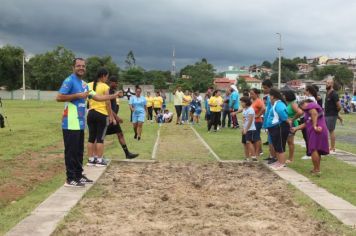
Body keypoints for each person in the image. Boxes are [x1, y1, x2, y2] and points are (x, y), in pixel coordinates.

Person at [56, 58, 118, 187]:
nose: (81, 68)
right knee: (71, 151)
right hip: (70, 122)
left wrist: (113, 96)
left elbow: (98, 97)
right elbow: (59, 97)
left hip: (80, 122)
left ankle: (78, 175)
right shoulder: (69, 80)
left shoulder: (84, 84)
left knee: (79, 151)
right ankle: (70, 178)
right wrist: (78, 95)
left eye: (83, 66)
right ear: (73, 67)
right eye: (78, 66)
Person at [292, 100, 329, 175]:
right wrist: (296, 128)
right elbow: (307, 123)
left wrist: (315, 126)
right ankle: (316, 169)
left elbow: (314, 113)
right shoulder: (308, 111)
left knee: (313, 149)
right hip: (316, 131)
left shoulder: (311, 105)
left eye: (301, 108)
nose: (302, 110)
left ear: (304, 104)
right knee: (316, 150)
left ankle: (317, 170)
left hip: (317, 130)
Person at [86, 68, 114, 167]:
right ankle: (99, 160)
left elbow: (87, 98)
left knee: (91, 137)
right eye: (107, 76)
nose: (107, 78)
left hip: (90, 113)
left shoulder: (88, 85)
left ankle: (90, 159)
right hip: (101, 114)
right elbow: (107, 102)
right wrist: (110, 115)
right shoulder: (105, 86)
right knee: (100, 138)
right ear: (103, 76)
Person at [105, 76, 139, 159]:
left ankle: (127, 153)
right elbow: (107, 106)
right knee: (100, 137)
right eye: (116, 83)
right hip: (107, 117)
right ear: (111, 82)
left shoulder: (113, 91)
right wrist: (117, 117)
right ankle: (97, 156)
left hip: (113, 118)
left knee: (120, 134)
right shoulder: (107, 91)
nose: (117, 84)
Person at [265, 88, 290, 170]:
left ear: (272, 96)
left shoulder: (279, 104)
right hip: (274, 127)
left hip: (279, 127)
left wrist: (288, 121)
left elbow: (283, 114)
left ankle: (282, 163)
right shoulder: (275, 104)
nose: (269, 97)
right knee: (276, 146)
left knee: (280, 146)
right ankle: (279, 162)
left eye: (269, 95)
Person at [282, 90, 303, 163]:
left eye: (284, 95)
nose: (283, 96)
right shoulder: (288, 103)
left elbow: (300, 112)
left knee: (290, 142)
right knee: (288, 141)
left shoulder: (293, 103)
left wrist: (292, 119)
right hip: (288, 123)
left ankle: (291, 158)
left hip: (292, 124)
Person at [325, 79, 341, 154]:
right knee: (328, 130)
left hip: (331, 115)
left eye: (328, 83)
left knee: (331, 130)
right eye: (326, 83)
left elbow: (339, 106)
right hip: (327, 114)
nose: (326, 84)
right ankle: (330, 146)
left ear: (332, 84)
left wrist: (335, 113)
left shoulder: (334, 94)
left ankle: (333, 147)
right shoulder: (327, 93)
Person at [261, 80, 276, 164]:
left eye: (265, 88)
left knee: (272, 140)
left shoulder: (273, 97)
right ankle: (271, 155)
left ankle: (274, 157)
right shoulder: (268, 97)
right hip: (268, 120)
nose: (264, 90)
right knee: (269, 140)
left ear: (270, 87)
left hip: (272, 121)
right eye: (263, 88)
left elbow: (273, 110)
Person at [240, 96, 258, 161]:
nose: (241, 103)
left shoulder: (251, 109)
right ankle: (247, 157)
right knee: (244, 143)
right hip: (245, 129)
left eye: (242, 102)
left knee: (248, 142)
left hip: (250, 129)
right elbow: (244, 120)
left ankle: (254, 157)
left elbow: (250, 121)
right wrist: (243, 128)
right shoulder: (244, 110)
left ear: (246, 102)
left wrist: (246, 129)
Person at [250, 88, 265, 156]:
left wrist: (258, 115)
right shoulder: (253, 101)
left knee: (256, 137)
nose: (251, 95)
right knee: (254, 137)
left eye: (252, 94)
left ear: (256, 94)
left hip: (257, 122)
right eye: (250, 94)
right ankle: (257, 151)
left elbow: (263, 108)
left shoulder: (258, 101)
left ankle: (258, 151)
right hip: (253, 122)